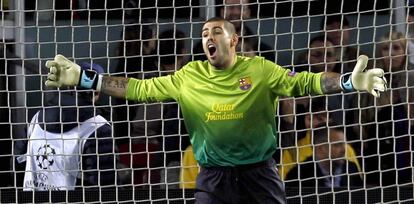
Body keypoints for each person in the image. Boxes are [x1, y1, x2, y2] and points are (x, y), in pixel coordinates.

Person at [44, 17, 386, 203]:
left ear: (234, 41)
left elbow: (308, 83)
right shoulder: (189, 75)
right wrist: (85, 78)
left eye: (216, 31)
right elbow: (138, 89)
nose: (208, 36)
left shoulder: (261, 69)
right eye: (205, 32)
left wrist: (346, 82)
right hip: (212, 176)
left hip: (260, 174)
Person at [23, 63, 118, 190]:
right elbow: (104, 184)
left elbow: (17, 162)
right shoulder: (97, 127)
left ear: (69, 85)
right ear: (98, 91)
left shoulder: (37, 117)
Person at [357, 31, 414, 186]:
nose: (390, 53)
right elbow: (361, 119)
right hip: (378, 148)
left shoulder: (412, 77)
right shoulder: (369, 78)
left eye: (396, 48)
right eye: (385, 48)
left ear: (405, 51)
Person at [278, 97, 361, 181]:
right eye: (309, 118)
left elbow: (356, 180)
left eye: (320, 119)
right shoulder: (293, 151)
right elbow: (283, 180)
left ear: (330, 120)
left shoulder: (346, 149)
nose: (313, 123)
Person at [193, 0, 275, 62]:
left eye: (240, 8)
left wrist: (254, 63)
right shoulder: (202, 49)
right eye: (230, 8)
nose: (235, 12)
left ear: (248, 13)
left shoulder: (263, 51)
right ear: (222, 12)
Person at [284, 126, 363, 189]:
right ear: (320, 149)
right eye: (337, 145)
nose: (344, 150)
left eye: (344, 144)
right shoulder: (298, 175)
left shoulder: (351, 169)